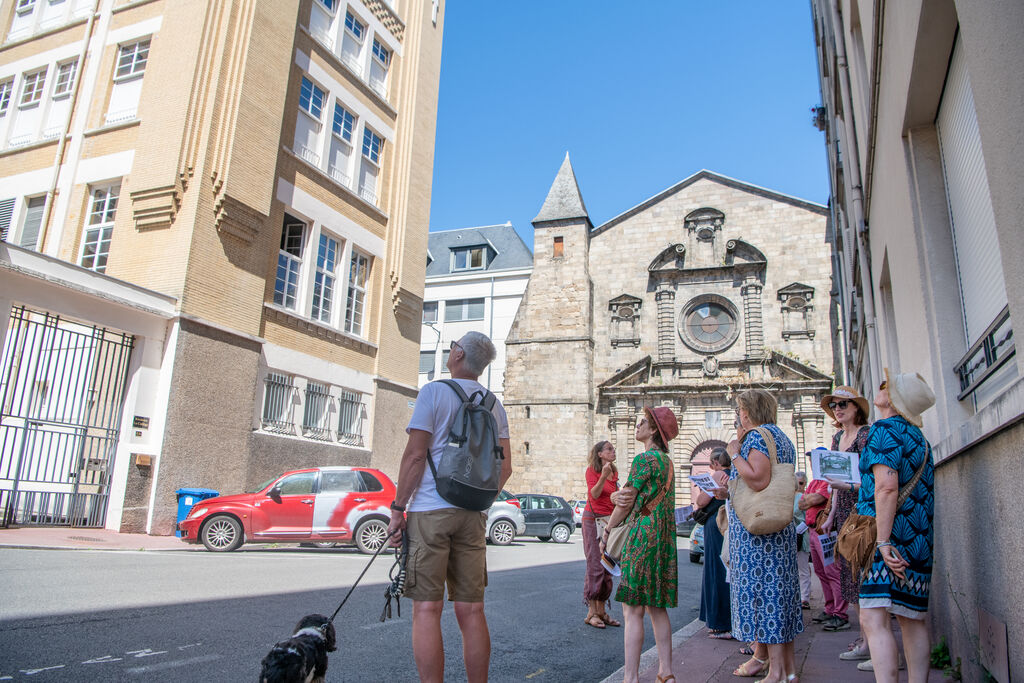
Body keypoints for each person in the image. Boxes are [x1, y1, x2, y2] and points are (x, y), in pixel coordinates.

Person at [386, 332, 512, 683]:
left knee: (427, 609)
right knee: (472, 611)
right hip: (473, 514)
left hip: (430, 510)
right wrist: (481, 504)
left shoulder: (434, 392)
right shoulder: (495, 405)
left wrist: (398, 508)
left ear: (457, 354)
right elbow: (507, 466)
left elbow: (414, 456)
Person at [856, 371, 935, 683]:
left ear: (896, 399)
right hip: (918, 540)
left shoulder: (885, 430)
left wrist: (883, 542)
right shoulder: (920, 438)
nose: (880, 387)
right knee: (912, 619)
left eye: (886, 386)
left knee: (873, 617)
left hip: (888, 538)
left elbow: (886, 487)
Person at [724, 389, 802, 682]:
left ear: (747, 411)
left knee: (765, 597)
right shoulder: (781, 436)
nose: (737, 416)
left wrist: (734, 454)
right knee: (780, 597)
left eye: (739, 411)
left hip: (759, 536)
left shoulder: (756, 436)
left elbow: (758, 478)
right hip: (778, 530)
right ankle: (788, 670)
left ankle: (778, 674)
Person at [600, 406, 678, 683]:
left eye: (643, 422)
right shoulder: (666, 462)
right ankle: (666, 672)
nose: (638, 424)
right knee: (657, 606)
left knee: (632, 609)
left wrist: (608, 530)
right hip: (664, 537)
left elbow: (626, 500)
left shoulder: (644, 460)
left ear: (654, 430)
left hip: (643, 535)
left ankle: (630, 677)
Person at [816, 386, 872, 661]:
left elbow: (873, 479)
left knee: (864, 577)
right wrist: (831, 514)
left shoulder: (866, 435)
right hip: (845, 514)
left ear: (856, 408)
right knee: (850, 578)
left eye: (843, 404)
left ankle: (873, 643)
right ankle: (865, 640)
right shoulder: (838, 437)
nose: (838, 409)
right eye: (834, 405)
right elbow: (835, 485)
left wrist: (845, 487)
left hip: (864, 511)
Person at [799, 470, 848, 631]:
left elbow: (816, 499)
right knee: (821, 571)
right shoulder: (814, 482)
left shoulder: (828, 481)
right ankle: (829, 608)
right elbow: (802, 503)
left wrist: (811, 498)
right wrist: (811, 499)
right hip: (813, 529)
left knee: (832, 571)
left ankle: (840, 613)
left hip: (825, 531)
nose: (813, 464)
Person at [582, 440, 620, 629]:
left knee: (607, 566)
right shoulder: (593, 471)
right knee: (595, 564)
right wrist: (603, 477)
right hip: (592, 520)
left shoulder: (615, 472)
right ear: (600, 454)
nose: (613, 452)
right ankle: (591, 612)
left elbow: (612, 497)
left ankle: (602, 611)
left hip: (609, 521)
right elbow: (594, 495)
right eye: (609, 449)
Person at [696, 447, 731, 639]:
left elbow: (701, 501)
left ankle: (719, 623)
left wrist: (706, 488)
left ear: (716, 463)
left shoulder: (718, 475)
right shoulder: (736, 473)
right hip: (729, 527)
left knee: (715, 571)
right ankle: (731, 620)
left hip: (716, 526)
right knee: (728, 571)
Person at [793, 472, 811, 610]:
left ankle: (804, 598)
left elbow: (808, 518)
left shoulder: (802, 498)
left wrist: (798, 530)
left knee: (803, 568)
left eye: (801, 483)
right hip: (788, 538)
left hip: (801, 536)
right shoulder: (784, 498)